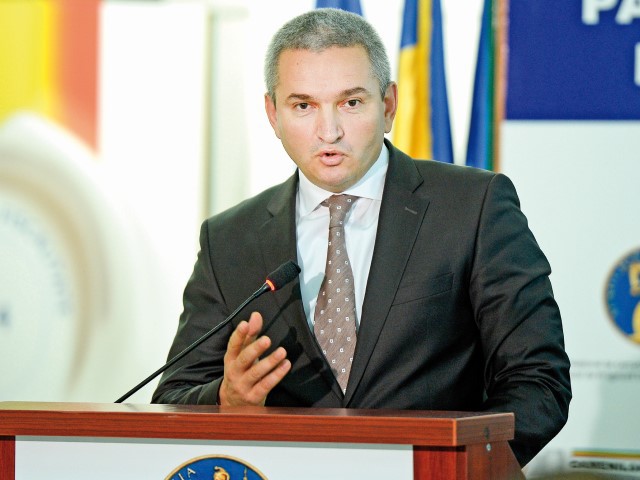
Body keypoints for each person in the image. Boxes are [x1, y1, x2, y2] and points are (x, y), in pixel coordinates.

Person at [152, 8, 571, 467]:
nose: (328, 131)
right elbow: (174, 394)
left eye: (351, 103)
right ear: (272, 114)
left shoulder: (473, 207)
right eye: (303, 106)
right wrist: (226, 399)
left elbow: (538, 381)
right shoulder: (229, 239)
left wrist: (458, 467)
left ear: (388, 105)